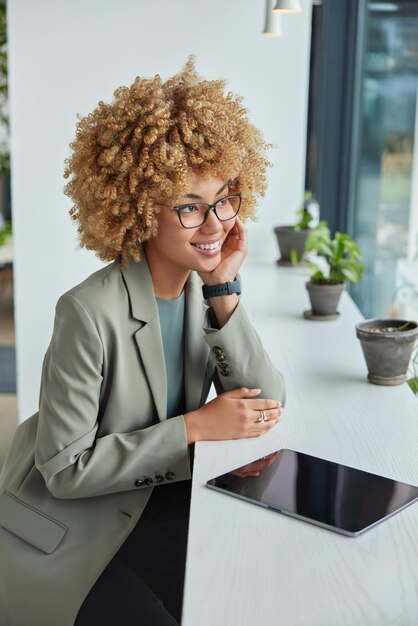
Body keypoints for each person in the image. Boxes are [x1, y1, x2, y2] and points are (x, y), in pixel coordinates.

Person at [0, 57, 285, 626]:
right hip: (76, 530)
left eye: (224, 199)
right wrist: (195, 427)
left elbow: (263, 401)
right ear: (136, 207)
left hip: (166, 501)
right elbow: (65, 468)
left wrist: (223, 287)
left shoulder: (200, 290)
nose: (215, 224)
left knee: (253, 584)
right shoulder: (87, 311)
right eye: (189, 207)